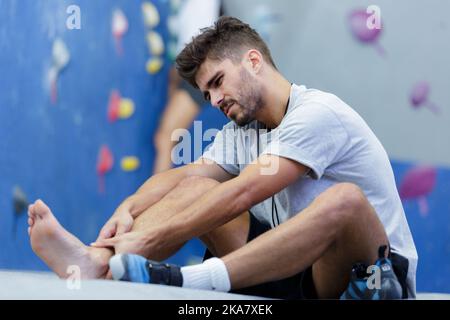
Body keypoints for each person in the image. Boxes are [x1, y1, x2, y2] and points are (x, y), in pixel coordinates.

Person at [28, 16, 417, 299]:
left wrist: (152, 238)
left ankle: (194, 279)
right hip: (300, 274)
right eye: (206, 94)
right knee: (197, 184)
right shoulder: (242, 131)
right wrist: (129, 208)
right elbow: (185, 178)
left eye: (216, 83)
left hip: (368, 275)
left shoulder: (317, 114)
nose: (213, 101)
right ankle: (97, 262)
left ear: (252, 61)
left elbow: (242, 193)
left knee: (343, 200)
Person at [153, 0, 221, 173]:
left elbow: (196, 50)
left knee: (165, 138)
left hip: (199, 74)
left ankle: (160, 200)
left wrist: (176, 78)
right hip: (195, 74)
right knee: (168, 138)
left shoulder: (202, 4)